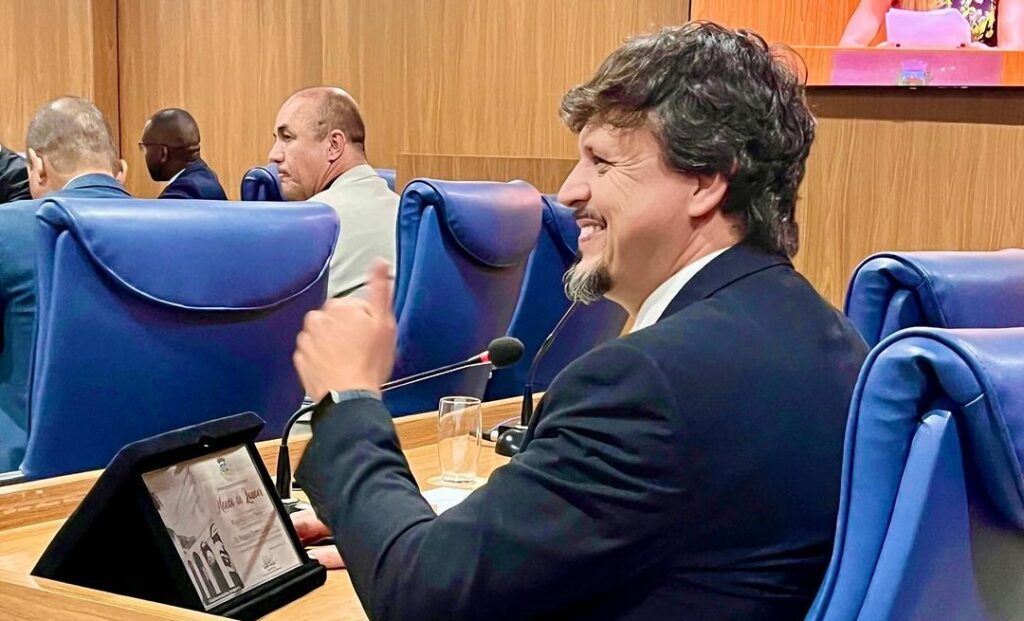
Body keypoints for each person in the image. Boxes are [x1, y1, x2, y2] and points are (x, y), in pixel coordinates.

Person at [291, 23, 869, 620]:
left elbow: (423, 600)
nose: (569, 192)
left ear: (704, 180)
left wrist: (348, 398)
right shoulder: (828, 334)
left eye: (602, 161)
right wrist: (402, 525)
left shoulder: (648, 384)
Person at [0, 97, 131, 472]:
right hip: (142, 467)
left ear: (37, 167)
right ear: (120, 170)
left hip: (23, 475)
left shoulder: (8, 229)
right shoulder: (177, 227)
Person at [268, 87, 397, 298]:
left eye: (287, 137)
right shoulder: (405, 212)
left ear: (334, 145)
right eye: (276, 139)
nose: (273, 155)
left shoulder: (311, 224)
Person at [840, 0, 1024, 48]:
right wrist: (880, 58)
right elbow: (849, 45)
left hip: (978, 94)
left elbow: (1013, 51)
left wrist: (984, 56)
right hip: (910, 89)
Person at [140, 108, 227, 200]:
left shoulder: (186, 190)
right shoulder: (204, 177)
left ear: (163, 153)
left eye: (144, 148)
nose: (144, 154)